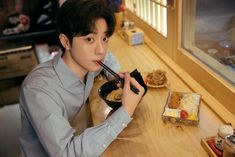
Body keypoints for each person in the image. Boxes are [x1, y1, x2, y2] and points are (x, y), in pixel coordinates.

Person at [19, 0, 145, 156]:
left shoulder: (87, 62)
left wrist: (115, 76)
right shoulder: (38, 90)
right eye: (89, 39)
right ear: (66, 42)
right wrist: (125, 111)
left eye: (104, 39)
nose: (100, 50)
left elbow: (108, 58)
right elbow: (67, 153)